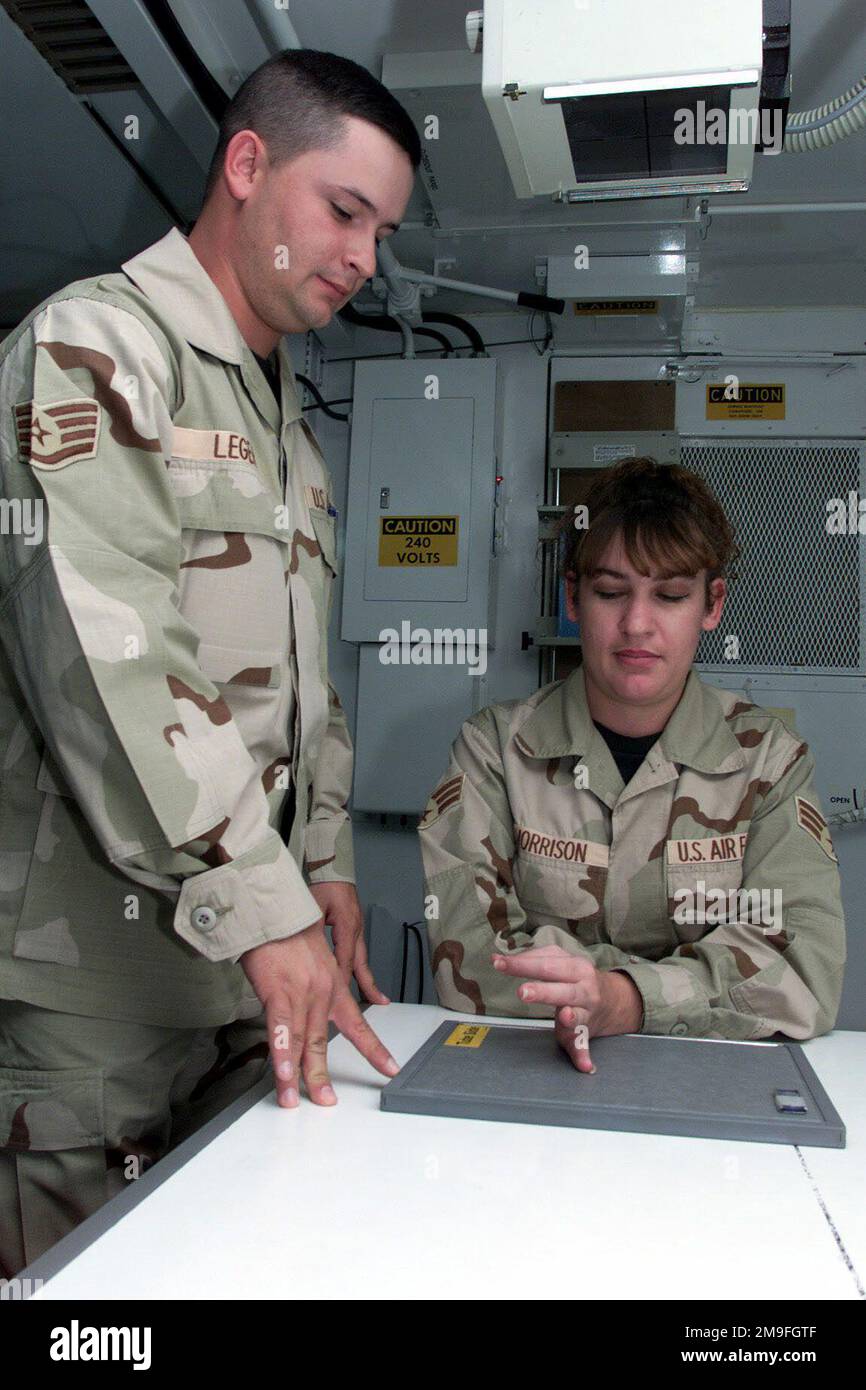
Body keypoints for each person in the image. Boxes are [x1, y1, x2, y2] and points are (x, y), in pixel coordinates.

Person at [0, 48, 419, 1275]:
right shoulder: (93, 349)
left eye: (383, 231)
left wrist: (327, 865)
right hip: (99, 1002)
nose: (362, 258)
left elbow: (304, 689)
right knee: (85, 1310)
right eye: (344, 211)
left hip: (244, 983)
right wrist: (264, 899)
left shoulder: (289, 430)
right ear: (245, 164)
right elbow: (106, 656)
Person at [419, 457, 846, 1072]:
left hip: (708, 1082)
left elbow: (804, 968)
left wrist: (625, 1001)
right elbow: (473, 967)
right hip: (530, 1074)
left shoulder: (768, 762)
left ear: (712, 604)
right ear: (572, 597)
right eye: (611, 592)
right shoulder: (494, 751)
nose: (637, 624)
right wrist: (686, 989)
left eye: (670, 595)